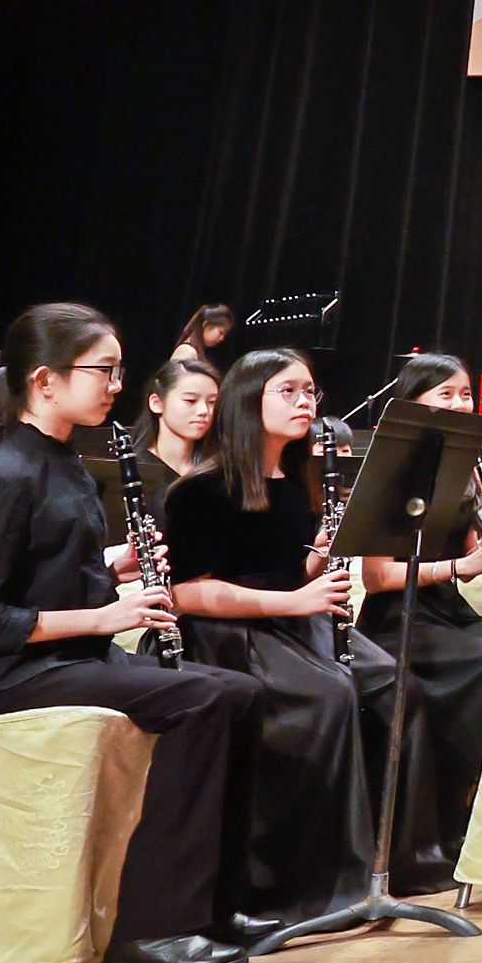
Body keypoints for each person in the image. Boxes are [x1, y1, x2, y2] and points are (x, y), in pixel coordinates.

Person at [0, 303, 259, 963]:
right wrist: (107, 617)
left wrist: (116, 572)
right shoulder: (1, 478)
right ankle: (152, 930)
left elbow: (50, 578)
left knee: (241, 692)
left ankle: (215, 906)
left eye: (117, 371)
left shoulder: (65, 465)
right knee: (202, 699)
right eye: (102, 371)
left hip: (55, 660)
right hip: (0, 679)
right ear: (45, 381)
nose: (116, 385)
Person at [158, 347, 395, 932]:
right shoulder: (200, 490)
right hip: (228, 634)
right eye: (288, 391)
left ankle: (386, 865)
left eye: (310, 391)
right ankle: (303, 886)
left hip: (290, 617)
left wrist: (320, 557)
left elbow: (290, 570)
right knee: (327, 696)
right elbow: (189, 593)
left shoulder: (294, 481)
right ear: (248, 401)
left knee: (387, 679)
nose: (305, 402)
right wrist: (295, 601)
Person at [349, 351, 482, 892]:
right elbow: (377, 576)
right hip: (399, 619)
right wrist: (461, 567)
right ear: (413, 404)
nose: (461, 404)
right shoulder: (389, 471)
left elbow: (466, 553)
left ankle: (462, 815)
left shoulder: (461, 467)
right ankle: (437, 824)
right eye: (446, 394)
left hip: (444, 611)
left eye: (465, 394)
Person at [137, 348, 223, 488]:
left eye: (212, 402)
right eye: (190, 400)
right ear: (157, 403)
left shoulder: (218, 470)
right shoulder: (135, 468)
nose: (204, 411)